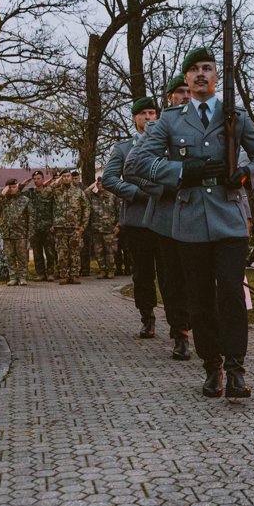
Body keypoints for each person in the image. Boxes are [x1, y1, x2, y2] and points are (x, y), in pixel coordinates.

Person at [126, 48, 254, 398]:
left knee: (231, 295)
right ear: (187, 79)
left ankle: (236, 369)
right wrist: (181, 171)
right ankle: (212, 366)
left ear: (216, 75)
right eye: (194, 70)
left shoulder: (234, 116)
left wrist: (245, 174)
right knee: (200, 299)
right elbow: (136, 164)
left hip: (229, 219)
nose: (201, 74)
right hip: (190, 221)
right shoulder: (170, 121)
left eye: (207, 68)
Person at [106, 96, 191, 359]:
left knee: (170, 275)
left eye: (152, 113)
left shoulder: (169, 144)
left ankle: (178, 328)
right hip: (138, 220)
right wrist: (135, 192)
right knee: (142, 274)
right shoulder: (123, 148)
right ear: (135, 118)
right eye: (143, 114)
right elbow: (109, 178)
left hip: (165, 219)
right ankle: (147, 316)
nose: (148, 118)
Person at [50, 170, 91, 284]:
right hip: (60, 227)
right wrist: (55, 183)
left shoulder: (78, 192)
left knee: (75, 252)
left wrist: (83, 226)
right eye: (64, 176)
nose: (66, 178)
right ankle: (64, 275)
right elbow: (44, 194)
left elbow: (86, 208)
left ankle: (74, 275)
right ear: (61, 178)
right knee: (62, 253)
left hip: (75, 227)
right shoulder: (56, 192)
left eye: (68, 176)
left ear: (71, 177)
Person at [0, 178, 32, 286]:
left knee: (22, 256)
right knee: (10, 256)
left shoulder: (24, 200)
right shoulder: (3, 200)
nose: (12, 189)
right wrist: (2, 195)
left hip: (21, 233)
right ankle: (13, 277)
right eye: (9, 187)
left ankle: (22, 277)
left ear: (18, 187)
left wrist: (30, 232)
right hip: (7, 233)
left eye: (14, 187)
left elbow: (31, 217)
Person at [19, 170, 56, 281]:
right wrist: (23, 184)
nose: (36, 181)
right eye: (34, 179)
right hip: (35, 228)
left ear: (43, 179)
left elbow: (55, 208)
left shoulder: (49, 192)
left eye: (38, 178)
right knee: (37, 252)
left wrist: (54, 224)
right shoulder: (30, 193)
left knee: (50, 252)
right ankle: (41, 274)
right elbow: (17, 193)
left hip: (48, 227)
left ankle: (50, 273)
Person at [88, 175, 119, 278]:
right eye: (98, 184)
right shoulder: (93, 196)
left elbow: (119, 212)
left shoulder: (112, 196)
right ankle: (102, 270)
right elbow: (83, 194)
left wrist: (118, 226)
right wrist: (92, 185)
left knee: (110, 251)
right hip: (96, 229)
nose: (100, 185)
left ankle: (110, 270)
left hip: (109, 229)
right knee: (98, 251)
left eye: (101, 184)